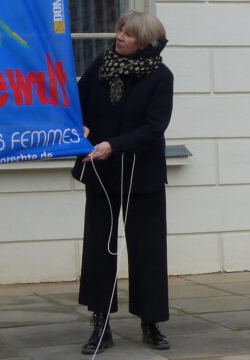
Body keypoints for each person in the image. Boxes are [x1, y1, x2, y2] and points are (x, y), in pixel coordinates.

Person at [70, 10, 173, 355]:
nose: (119, 37)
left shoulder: (160, 76)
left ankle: (151, 321)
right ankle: (101, 323)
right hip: (100, 171)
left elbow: (153, 127)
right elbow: (76, 102)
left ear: (144, 42)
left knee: (147, 249)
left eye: (128, 34)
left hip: (141, 174)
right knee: (100, 248)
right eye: (119, 31)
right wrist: (79, 128)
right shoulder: (101, 66)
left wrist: (114, 145)